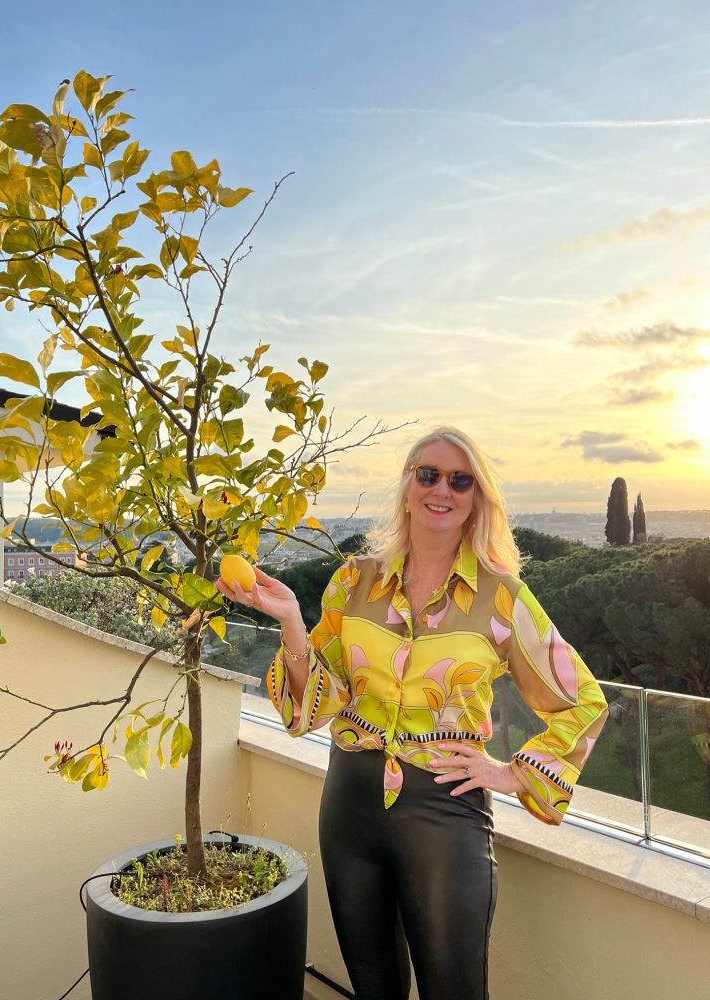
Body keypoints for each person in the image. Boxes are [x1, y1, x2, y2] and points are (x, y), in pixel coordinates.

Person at [216, 427, 608, 1000]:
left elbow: (584, 702)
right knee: (373, 988)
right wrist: (292, 622)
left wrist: (509, 772)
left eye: (459, 479)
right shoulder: (354, 582)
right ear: (407, 486)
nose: (441, 489)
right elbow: (316, 703)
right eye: (427, 474)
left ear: (477, 497)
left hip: (443, 813)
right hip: (349, 804)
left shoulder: (503, 600)